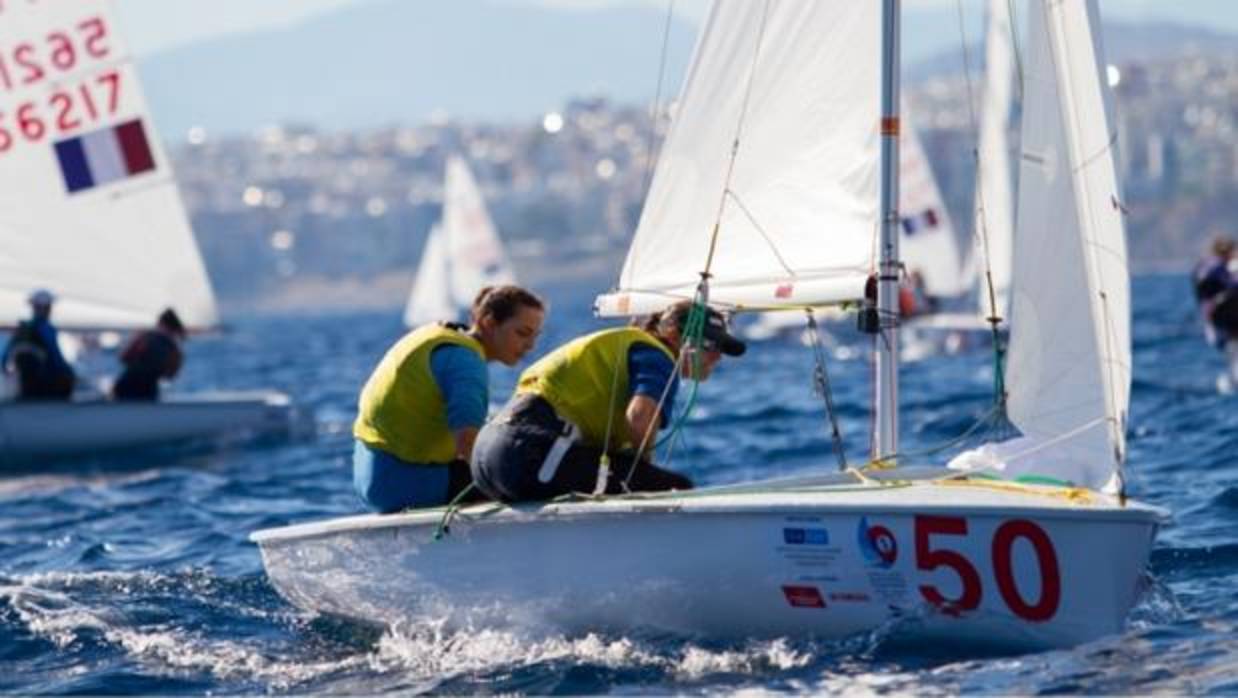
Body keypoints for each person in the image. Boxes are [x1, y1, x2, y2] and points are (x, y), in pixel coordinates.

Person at [470, 300, 745, 504]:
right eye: (708, 345)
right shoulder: (657, 355)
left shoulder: (625, 346)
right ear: (673, 333)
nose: (716, 356)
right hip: (528, 453)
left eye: (719, 348)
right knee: (673, 488)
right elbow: (640, 415)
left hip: (489, 457)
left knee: (621, 475)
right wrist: (644, 474)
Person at [353, 285, 545, 513]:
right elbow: (467, 443)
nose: (530, 346)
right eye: (522, 333)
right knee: (528, 477)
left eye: (535, 336)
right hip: (400, 483)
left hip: (368, 477)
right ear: (489, 322)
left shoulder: (440, 334)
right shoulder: (466, 363)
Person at [1, 289, 76, 400]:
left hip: (25, 387)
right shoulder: (46, 329)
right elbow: (56, 358)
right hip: (46, 386)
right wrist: (71, 374)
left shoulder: (22, 329)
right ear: (46, 308)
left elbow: (4, 359)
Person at [112, 308, 188, 401]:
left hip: (127, 387)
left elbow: (124, 358)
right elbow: (170, 375)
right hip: (148, 392)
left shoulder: (145, 338)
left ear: (161, 323)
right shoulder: (174, 350)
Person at [1193, 235, 1238, 348]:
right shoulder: (1218, 265)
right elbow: (1232, 283)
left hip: (1213, 314)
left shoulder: (1204, 264)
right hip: (1221, 310)